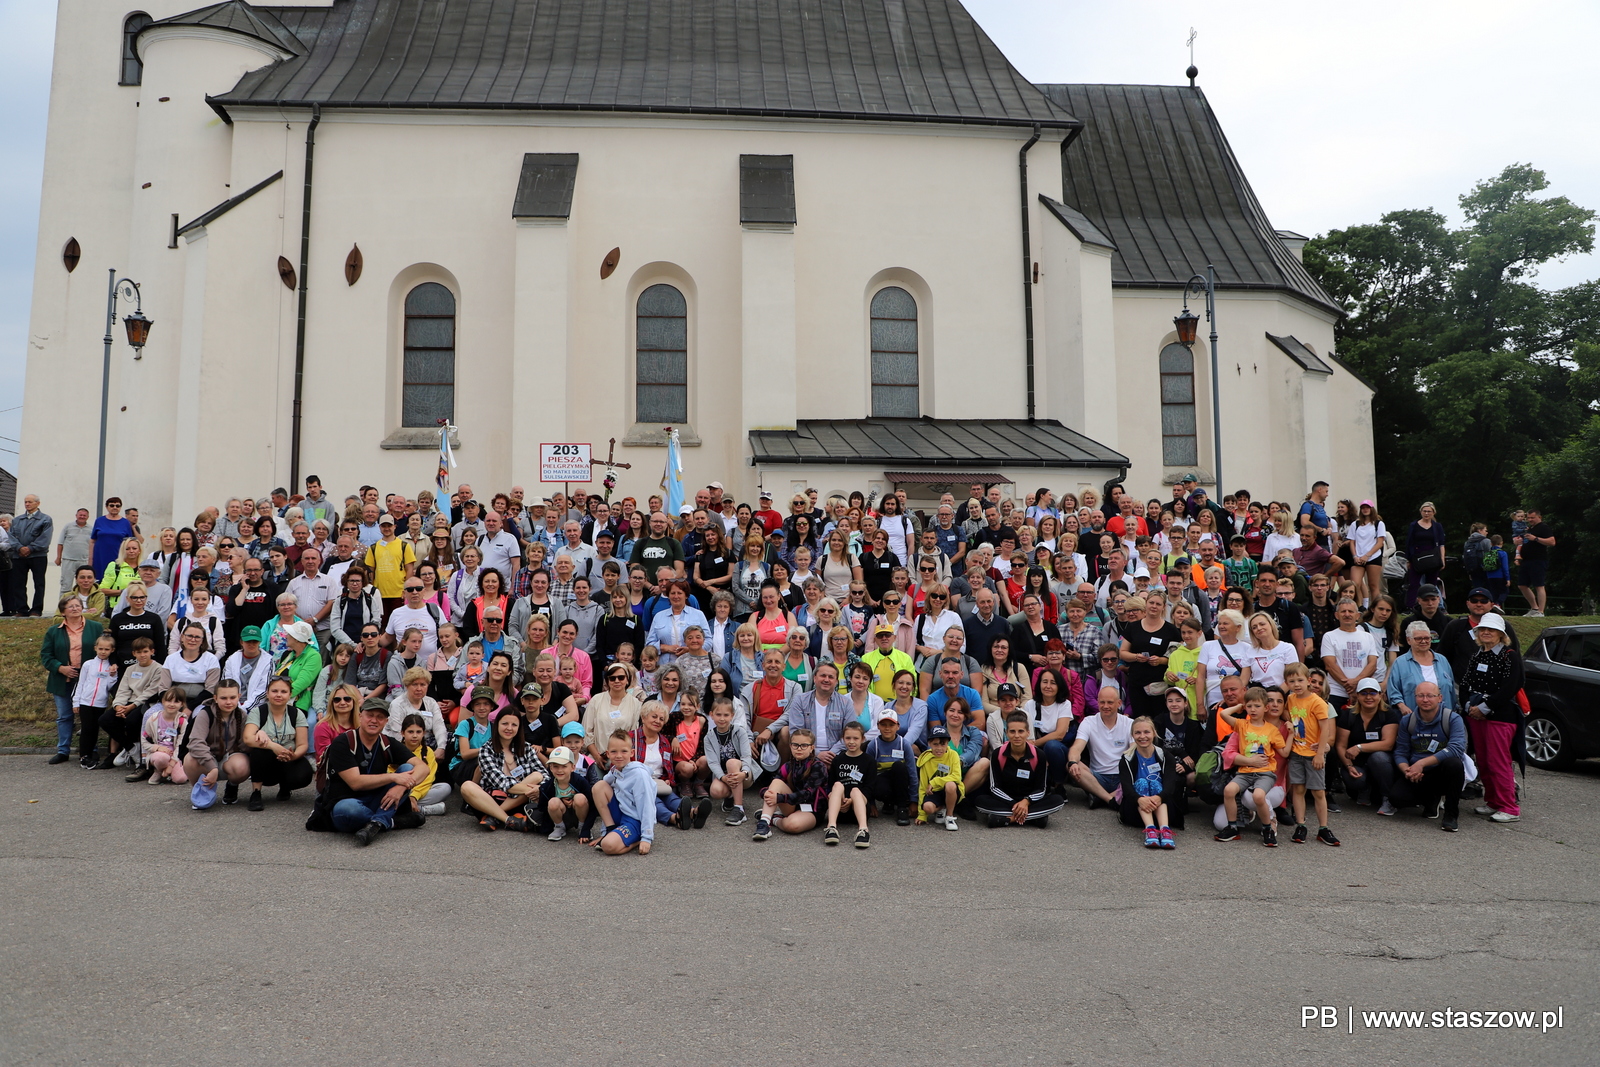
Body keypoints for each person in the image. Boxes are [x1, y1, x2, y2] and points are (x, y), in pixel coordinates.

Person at [311, 696, 427, 844]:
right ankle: (391, 821)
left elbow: (423, 768)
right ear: (360, 716)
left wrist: (400, 787)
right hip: (345, 801)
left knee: (408, 768)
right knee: (350, 810)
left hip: (376, 800)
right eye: (370, 715)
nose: (374, 720)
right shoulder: (343, 742)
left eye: (380, 717)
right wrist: (393, 778)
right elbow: (356, 782)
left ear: (386, 722)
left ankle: (376, 823)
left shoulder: (387, 742)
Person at [1459, 613, 1524, 823]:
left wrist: (1485, 707)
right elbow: (1466, 684)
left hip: (1500, 717)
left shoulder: (1509, 655)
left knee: (1499, 761)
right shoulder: (1478, 655)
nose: (1486, 632)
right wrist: (1469, 705)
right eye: (1483, 629)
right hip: (1476, 716)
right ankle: (1494, 801)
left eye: (1492, 630)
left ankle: (1509, 807)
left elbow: (1511, 686)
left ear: (1501, 634)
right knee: (1484, 761)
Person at [1213, 687, 1291, 845]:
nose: (1253, 709)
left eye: (1257, 706)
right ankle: (1233, 827)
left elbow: (1284, 752)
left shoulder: (1272, 730)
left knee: (1258, 796)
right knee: (1229, 790)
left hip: (1265, 773)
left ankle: (1267, 827)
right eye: (1249, 706)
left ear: (1265, 708)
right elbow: (1223, 714)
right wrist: (1239, 706)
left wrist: (1291, 735)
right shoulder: (1242, 725)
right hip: (1245, 772)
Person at [1388, 681, 1466, 831]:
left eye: (1430, 696)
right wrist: (1407, 770)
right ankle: (1432, 799)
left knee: (1454, 764)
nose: (1425, 700)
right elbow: (1400, 752)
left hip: (1442, 771)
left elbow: (1456, 748)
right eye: (1421, 696)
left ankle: (1451, 815)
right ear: (1415, 697)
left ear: (1440, 698)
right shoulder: (1407, 721)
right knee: (1396, 798)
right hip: (1418, 773)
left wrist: (1422, 763)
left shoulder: (1452, 718)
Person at [459, 706, 546, 831]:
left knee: (537, 776)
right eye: (505, 723)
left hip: (520, 801)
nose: (509, 728)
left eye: (514, 725)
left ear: (519, 727)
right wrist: (529, 788)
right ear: (497, 725)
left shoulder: (526, 748)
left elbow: (544, 774)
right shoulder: (486, 749)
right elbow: (501, 783)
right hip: (490, 801)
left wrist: (539, 788)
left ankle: (493, 817)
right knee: (467, 786)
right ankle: (509, 820)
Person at [972, 712, 1063, 827]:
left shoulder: (1039, 755)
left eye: (1021, 731)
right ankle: (1034, 818)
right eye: (1012, 731)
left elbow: (1041, 788)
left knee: (1058, 800)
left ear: (1028, 733)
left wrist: (1026, 802)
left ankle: (1007, 819)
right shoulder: (997, 754)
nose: (1016, 736)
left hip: (1030, 801)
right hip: (1005, 801)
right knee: (980, 801)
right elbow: (994, 787)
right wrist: (1015, 804)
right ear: (1007, 733)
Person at [1282, 662, 1339, 846]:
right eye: (1292, 681)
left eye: (1300, 680)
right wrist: (1288, 721)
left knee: (1318, 791)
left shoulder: (1317, 701)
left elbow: (1325, 730)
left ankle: (1323, 828)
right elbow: (1287, 711)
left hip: (1313, 753)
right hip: (1297, 752)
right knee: (1298, 789)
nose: (1296, 684)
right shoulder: (1291, 699)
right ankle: (1301, 824)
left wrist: (1320, 753)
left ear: (1308, 681)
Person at [241, 676, 313, 810]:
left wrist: (293, 755)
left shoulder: (297, 713)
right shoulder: (258, 711)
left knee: (304, 774)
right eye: (274, 691)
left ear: (290, 694)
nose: (279, 695)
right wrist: (272, 746)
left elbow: (303, 744)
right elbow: (247, 738)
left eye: (283, 691)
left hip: (289, 757)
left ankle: (285, 786)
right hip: (266, 759)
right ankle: (256, 793)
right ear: (267, 693)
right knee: (258, 751)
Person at [182, 679, 252, 808]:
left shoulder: (241, 715)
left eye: (233, 697)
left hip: (229, 757)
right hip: (207, 758)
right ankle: (202, 788)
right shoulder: (205, 714)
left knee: (242, 765)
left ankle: (232, 785)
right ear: (215, 698)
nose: (229, 702)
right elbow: (196, 742)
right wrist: (212, 768)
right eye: (223, 698)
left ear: (239, 697)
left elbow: (244, 745)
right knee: (190, 759)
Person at [750, 726, 829, 840]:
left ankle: (774, 819)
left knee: (792, 826)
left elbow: (807, 794)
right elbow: (773, 786)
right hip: (792, 805)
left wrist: (779, 798)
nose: (799, 748)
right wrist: (766, 793)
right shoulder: (788, 765)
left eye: (804, 745)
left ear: (812, 747)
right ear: (790, 746)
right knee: (777, 782)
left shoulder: (818, 766)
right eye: (795, 745)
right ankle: (764, 823)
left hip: (813, 810)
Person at [1336, 678, 1398, 812]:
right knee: (1355, 780)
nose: (1368, 697)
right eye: (1364, 693)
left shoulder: (1389, 715)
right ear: (1357, 695)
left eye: (1373, 693)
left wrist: (1359, 747)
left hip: (1381, 764)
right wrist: (1349, 765)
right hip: (1357, 763)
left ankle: (1388, 798)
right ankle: (1364, 789)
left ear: (1381, 695)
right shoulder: (1348, 715)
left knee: (1378, 757)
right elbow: (1341, 745)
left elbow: (1388, 744)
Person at [591, 728, 656, 854]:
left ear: (632, 752)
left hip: (634, 820)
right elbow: (604, 785)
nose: (619, 755)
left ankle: (635, 840)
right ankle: (610, 831)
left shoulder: (639, 775)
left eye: (624, 751)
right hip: (621, 812)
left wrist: (646, 837)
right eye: (614, 752)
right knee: (599, 786)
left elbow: (647, 805)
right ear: (608, 754)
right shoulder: (615, 770)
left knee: (608, 846)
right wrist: (604, 831)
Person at [1067, 684, 1134, 808]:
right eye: (1102, 702)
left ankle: (1099, 797)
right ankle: (1110, 799)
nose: (1105, 706)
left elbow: (1134, 753)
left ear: (1119, 703)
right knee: (1071, 764)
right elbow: (1076, 747)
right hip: (1097, 778)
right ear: (1097, 702)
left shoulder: (1130, 724)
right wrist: (1073, 762)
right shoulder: (1088, 722)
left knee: (1139, 772)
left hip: (1122, 777)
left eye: (1110, 702)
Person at [1118, 715, 1179, 848]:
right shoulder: (1126, 758)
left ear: (1154, 733)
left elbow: (1170, 786)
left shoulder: (1165, 756)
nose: (1142, 736)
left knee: (1156, 784)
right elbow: (1127, 788)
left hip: (1162, 805)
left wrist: (1158, 797)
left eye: (1146, 732)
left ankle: (1164, 830)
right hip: (1136, 807)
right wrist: (1140, 799)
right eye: (1138, 732)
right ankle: (1150, 829)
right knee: (1142, 783)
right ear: (1132, 735)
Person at [1319, 598, 1379, 712]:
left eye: (1351, 611)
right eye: (1343, 611)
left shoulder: (1368, 637)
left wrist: (1357, 682)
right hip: (1336, 693)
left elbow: (1373, 664)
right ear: (1336, 615)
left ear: (1358, 615)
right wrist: (1350, 688)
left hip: (1363, 693)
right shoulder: (1329, 636)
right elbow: (1330, 665)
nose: (1347, 614)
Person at [1387, 621, 1457, 717]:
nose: (1423, 641)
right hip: (1413, 718)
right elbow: (1393, 691)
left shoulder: (1442, 660)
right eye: (1418, 638)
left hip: (1444, 718)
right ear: (1408, 640)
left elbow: (1452, 690)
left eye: (1427, 638)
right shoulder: (1400, 663)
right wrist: (1402, 707)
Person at [823, 720, 875, 847]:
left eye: (855, 738)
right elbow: (829, 786)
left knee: (856, 790)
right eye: (848, 738)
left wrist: (851, 801)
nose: (851, 742)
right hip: (839, 808)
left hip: (859, 806)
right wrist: (836, 798)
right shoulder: (838, 759)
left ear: (863, 739)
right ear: (843, 738)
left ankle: (863, 830)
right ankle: (831, 828)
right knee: (837, 785)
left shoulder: (869, 761)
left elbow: (869, 789)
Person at [703, 695, 753, 825]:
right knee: (715, 791)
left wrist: (745, 773)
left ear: (732, 715)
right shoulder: (708, 737)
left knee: (731, 762)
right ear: (711, 715)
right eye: (718, 714)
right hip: (726, 776)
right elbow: (712, 762)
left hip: (744, 774)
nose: (722, 718)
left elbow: (746, 756)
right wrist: (722, 777)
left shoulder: (740, 732)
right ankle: (730, 796)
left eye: (726, 715)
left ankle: (739, 809)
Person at [538, 746, 598, 841]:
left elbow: (593, 805)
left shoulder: (580, 781)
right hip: (562, 815)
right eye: (555, 766)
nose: (559, 770)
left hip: (580, 813)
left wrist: (586, 829)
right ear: (551, 768)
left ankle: (582, 826)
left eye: (564, 766)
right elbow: (542, 806)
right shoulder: (547, 786)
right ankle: (559, 827)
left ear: (573, 767)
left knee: (580, 798)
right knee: (553, 802)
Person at [914, 724, 964, 831]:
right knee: (927, 808)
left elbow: (956, 777)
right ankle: (942, 808)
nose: (939, 748)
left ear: (947, 743)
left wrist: (934, 782)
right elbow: (922, 787)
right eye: (935, 744)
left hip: (952, 790)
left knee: (950, 785)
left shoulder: (953, 755)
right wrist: (922, 814)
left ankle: (949, 817)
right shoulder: (925, 760)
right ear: (929, 743)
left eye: (943, 744)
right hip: (934, 792)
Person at [1515, 508, 1555, 617]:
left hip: (1538, 560)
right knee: (1522, 585)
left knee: (1539, 585)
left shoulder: (1543, 528)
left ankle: (1541, 611)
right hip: (1526, 560)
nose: (1530, 519)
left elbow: (1552, 542)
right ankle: (1534, 608)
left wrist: (1536, 539)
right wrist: (1518, 543)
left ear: (1539, 517)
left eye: (1532, 517)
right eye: (1528, 517)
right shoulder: (1528, 529)